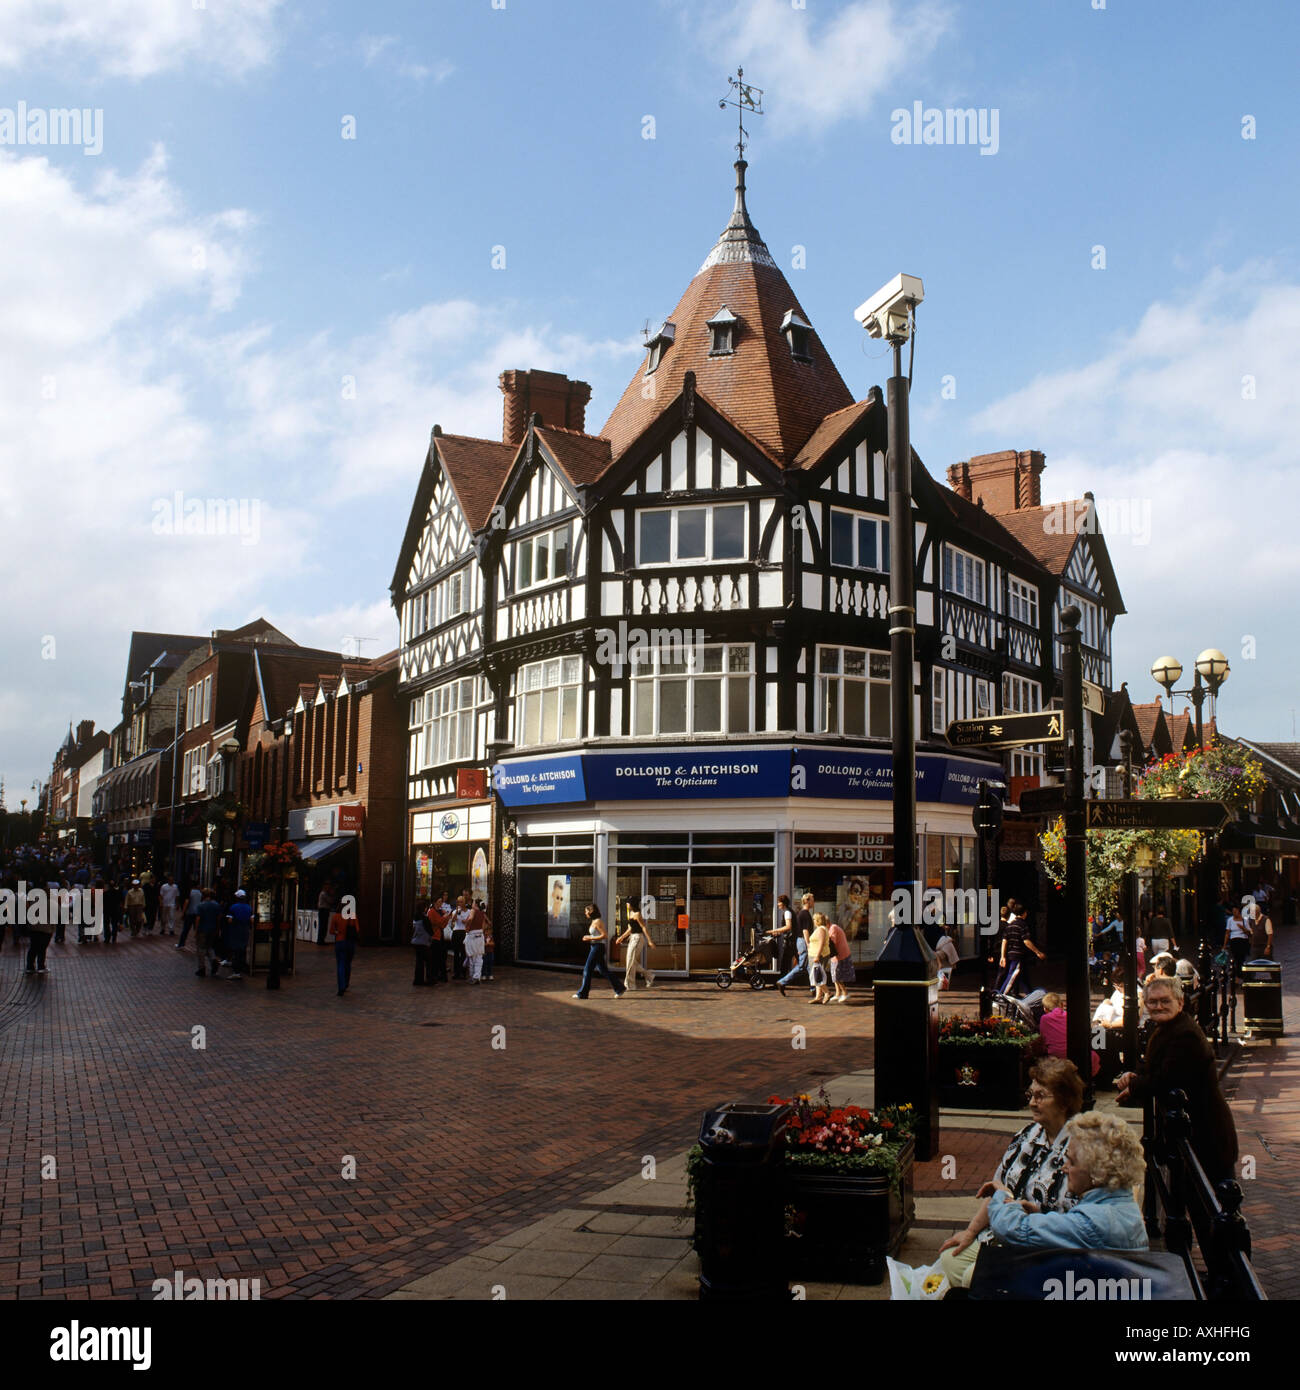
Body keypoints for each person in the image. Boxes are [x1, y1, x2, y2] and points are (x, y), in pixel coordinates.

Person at [937, 1057, 1086, 1288]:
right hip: (1004, 1236)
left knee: (973, 1277)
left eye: (1041, 1096)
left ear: (1064, 1101)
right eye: (1031, 1095)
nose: (1033, 1103)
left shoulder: (1081, 1145)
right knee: (950, 1260)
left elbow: (1082, 1220)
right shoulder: (1028, 1135)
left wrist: (1038, 1214)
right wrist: (970, 1232)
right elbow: (999, 1188)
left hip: (1046, 1247)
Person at [1116, 974, 1238, 1182]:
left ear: (1180, 1003)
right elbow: (1155, 1067)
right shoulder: (1168, 1028)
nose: (1158, 1006)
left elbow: (1167, 1078)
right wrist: (1134, 1075)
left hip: (1207, 1136)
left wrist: (1134, 1086)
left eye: (1165, 1001)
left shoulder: (1185, 1035)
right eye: (1152, 1002)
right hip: (1191, 1132)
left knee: (1210, 1204)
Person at [985, 1111, 1149, 1252]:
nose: (1064, 1168)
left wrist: (1002, 1195)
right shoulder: (1127, 1209)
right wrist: (1042, 1217)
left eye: (1072, 1161)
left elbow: (1011, 1229)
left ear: (1096, 1172)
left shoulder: (1093, 1222)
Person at [1038, 993, 1100, 1076]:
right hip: (1076, 1055)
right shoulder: (1071, 1016)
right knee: (1094, 1054)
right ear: (1062, 1005)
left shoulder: (1044, 1019)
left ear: (1045, 1009)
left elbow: (1043, 1041)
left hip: (1055, 1055)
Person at [573, 903, 625, 999]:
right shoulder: (594, 921)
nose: (585, 913)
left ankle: (583, 993)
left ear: (591, 911)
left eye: (586, 911)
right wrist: (590, 938)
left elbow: (604, 935)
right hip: (594, 947)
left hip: (598, 947)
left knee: (587, 969)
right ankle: (619, 988)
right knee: (603, 970)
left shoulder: (597, 922)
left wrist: (589, 938)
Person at [998, 909, 1045, 995]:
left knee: (1024, 978)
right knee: (1012, 976)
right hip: (1018, 955)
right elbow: (1026, 941)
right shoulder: (1022, 925)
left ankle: (1030, 996)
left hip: (1011, 954)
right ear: (1024, 913)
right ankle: (1001, 996)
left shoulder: (1010, 925)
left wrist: (1003, 956)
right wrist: (1037, 952)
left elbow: (1004, 941)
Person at [616, 897, 656, 992]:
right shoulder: (631, 913)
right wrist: (621, 937)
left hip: (638, 939)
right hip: (632, 938)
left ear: (632, 904)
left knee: (630, 961)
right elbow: (630, 929)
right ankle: (649, 975)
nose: (627, 905)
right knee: (631, 961)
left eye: (628, 903)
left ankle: (629, 985)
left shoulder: (637, 914)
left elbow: (643, 928)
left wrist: (650, 941)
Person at [330, 900, 360, 996]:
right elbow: (357, 929)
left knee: (340, 964)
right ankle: (346, 983)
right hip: (350, 943)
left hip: (340, 941)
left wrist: (337, 932)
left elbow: (331, 931)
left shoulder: (336, 917)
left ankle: (341, 986)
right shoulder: (353, 916)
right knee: (348, 963)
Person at [222, 889, 253, 980]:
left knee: (235, 950)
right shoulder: (249, 908)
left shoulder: (233, 907)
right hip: (245, 931)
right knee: (242, 950)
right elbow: (252, 920)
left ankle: (236, 971)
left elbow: (229, 920)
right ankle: (240, 968)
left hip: (235, 931)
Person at [193, 889, 225, 977]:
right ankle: (213, 959)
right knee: (210, 947)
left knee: (201, 949)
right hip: (213, 929)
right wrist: (218, 929)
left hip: (202, 929)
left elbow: (198, 919)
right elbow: (219, 918)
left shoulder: (200, 905)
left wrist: (196, 930)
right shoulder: (216, 905)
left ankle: (202, 968)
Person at [807, 913, 833, 1005]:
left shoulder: (821, 929)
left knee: (816, 976)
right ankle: (818, 996)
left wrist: (817, 956)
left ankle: (827, 992)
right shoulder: (820, 929)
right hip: (815, 955)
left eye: (814, 919)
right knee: (817, 976)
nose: (813, 921)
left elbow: (822, 943)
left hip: (818, 956)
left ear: (818, 920)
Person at [827, 918, 854, 1003]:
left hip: (840, 955)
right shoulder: (831, 927)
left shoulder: (833, 928)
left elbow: (832, 942)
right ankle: (838, 993)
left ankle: (845, 993)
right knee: (834, 975)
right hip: (836, 955)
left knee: (837, 975)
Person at [426, 892, 451, 982]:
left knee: (442, 957)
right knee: (435, 957)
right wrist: (444, 918)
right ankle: (434, 975)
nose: (441, 903)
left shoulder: (440, 911)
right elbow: (437, 922)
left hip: (441, 935)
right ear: (435, 902)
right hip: (435, 937)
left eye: (441, 901)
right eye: (439, 901)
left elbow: (443, 924)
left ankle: (441, 975)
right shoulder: (431, 911)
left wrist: (445, 918)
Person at [1223, 905, 1250, 981]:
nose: (1235, 913)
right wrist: (1224, 945)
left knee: (1241, 958)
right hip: (1234, 941)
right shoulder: (1230, 920)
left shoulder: (1245, 920)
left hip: (1242, 940)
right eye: (1233, 912)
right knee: (1236, 958)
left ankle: (1240, 975)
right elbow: (1227, 933)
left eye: (1236, 911)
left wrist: (1242, 928)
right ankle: (1238, 976)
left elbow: (1249, 933)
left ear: (1239, 911)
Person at [411, 900, 434, 986]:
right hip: (424, 942)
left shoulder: (415, 917)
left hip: (416, 942)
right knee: (429, 961)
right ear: (424, 908)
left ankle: (418, 980)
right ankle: (429, 979)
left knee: (419, 961)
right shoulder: (425, 918)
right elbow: (430, 931)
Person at [463, 900, 486, 984]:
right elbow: (484, 926)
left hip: (472, 935)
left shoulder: (473, 911)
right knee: (479, 958)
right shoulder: (482, 913)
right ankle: (477, 976)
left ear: (475, 904)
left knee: (472, 957)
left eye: (473, 902)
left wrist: (467, 926)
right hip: (480, 935)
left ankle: (472, 976)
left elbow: (470, 919)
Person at [178, 882, 202, 950]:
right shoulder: (200, 893)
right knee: (197, 929)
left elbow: (186, 902)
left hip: (190, 913)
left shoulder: (190, 892)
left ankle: (181, 944)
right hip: (197, 913)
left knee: (185, 929)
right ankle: (199, 945)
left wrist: (183, 912)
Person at [481, 908, 495, 981]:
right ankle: (483, 974)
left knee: (490, 964)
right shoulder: (483, 936)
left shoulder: (491, 936)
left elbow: (493, 943)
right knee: (484, 964)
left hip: (490, 952)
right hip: (484, 952)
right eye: (486, 931)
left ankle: (490, 974)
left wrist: (488, 943)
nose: (487, 932)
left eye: (489, 931)